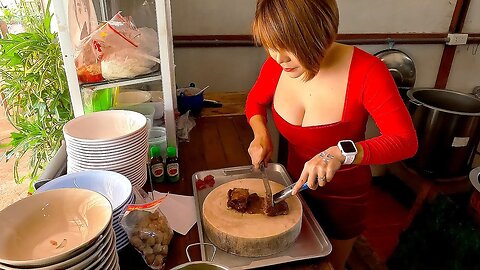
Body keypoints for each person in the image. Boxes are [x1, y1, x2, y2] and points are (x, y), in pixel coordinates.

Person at [245, 0, 418, 269]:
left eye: (290, 46)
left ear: (322, 33)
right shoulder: (277, 65)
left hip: (344, 202)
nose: (279, 58)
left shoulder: (368, 72)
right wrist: (260, 134)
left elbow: (405, 142)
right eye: (272, 44)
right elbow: (255, 102)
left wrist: (340, 153)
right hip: (293, 189)